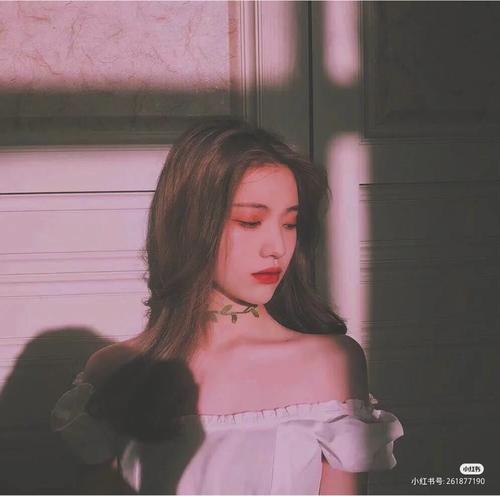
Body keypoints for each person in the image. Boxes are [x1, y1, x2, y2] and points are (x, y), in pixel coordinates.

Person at [50, 117, 404, 495]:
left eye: (290, 223)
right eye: (250, 222)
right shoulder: (112, 370)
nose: (277, 247)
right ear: (190, 224)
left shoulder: (332, 362)